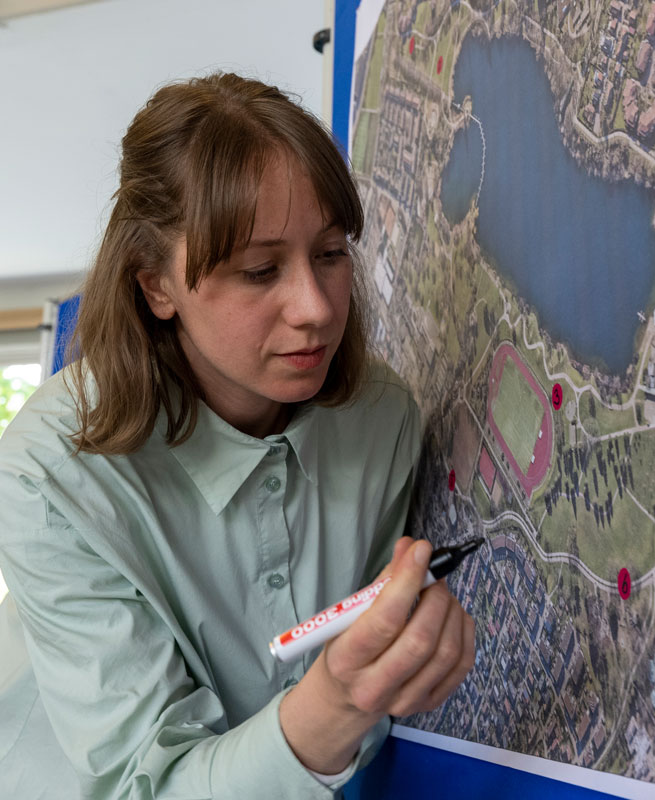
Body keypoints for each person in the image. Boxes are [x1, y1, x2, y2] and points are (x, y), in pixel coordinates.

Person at [0, 73, 476, 798]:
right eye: (259, 271)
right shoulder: (49, 473)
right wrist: (336, 706)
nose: (316, 309)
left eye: (330, 254)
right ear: (156, 285)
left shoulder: (382, 418)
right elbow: (145, 784)